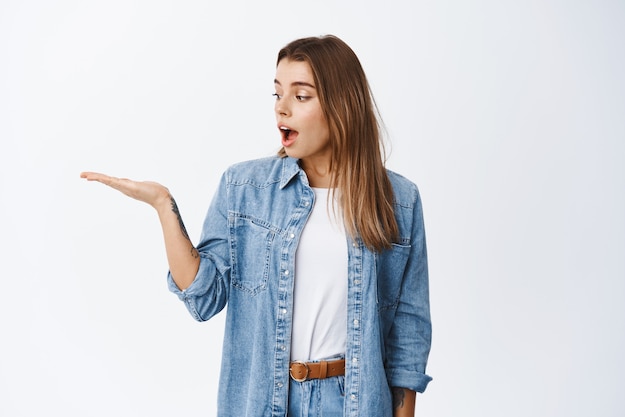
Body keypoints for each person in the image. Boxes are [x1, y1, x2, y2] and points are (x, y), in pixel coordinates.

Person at [81, 35, 431, 417]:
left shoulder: (398, 200)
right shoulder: (244, 189)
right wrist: (164, 206)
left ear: (342, 106)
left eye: (301, 96)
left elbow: (407, 337)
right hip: (265, 400)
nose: (282, 108)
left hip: (355, 402)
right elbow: (204, 298)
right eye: (277, 94)